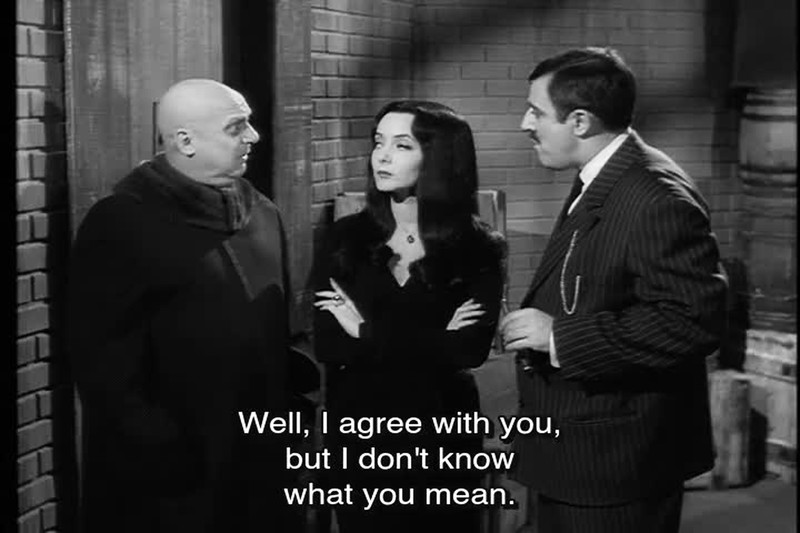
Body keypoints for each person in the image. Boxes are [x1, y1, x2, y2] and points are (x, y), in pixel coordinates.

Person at [67, 79, 317, 532]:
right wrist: (159, 446)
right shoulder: (121, 223)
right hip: (174, 475)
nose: (254, 136)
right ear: (185, 141)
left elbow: (285, 330)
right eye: (236, 127)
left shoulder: (262, 212)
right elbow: (101, 361)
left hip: (261, 461)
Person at [498, 47, 728, 532]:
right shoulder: (607, 176)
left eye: (537, 112)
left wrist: (558, 337)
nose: (525, 124)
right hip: (578, 455)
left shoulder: (655, 196)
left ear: (580, 121)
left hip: (614, 466)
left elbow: (691, 321)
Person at [313, 100, 506, 533]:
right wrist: (436, 339)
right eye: (378, 142)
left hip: (442, 435)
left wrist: (364, 330)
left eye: (401, 145)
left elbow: (469, 350)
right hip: (361, 434)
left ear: (438, 158)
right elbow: (329, 343)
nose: (381, 157)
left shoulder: (478, 248)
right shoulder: (345, 238)